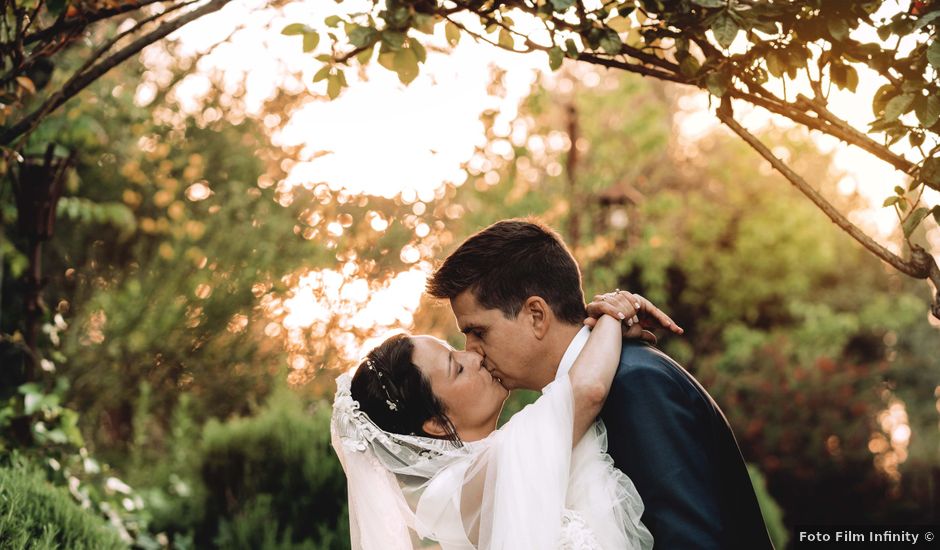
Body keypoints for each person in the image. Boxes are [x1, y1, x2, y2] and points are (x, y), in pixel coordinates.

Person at [425, 218, 774, 550]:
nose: (472, 351)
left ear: (536, 315)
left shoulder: (635, 383)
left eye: (478, 331)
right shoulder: (570, 408)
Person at [331, 291, 665, 549]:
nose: (473, 355)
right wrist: (614, 312)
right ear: (434, 422)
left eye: (457, 349)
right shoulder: (459, 491)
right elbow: (586, 390)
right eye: (457, 367)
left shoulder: (486, 463)